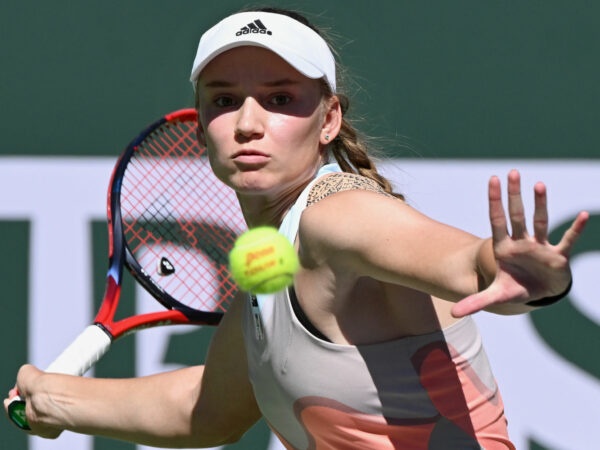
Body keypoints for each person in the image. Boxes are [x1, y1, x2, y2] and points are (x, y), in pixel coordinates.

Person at [4, 7, 589, 450]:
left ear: (329, 119)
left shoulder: (337, 213)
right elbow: (207, 409)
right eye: (225, 99)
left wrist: (513, 274)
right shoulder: (273, 264)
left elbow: (464, 263)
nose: (249, 123)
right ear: (203, 119)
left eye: (280, 98)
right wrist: (53, 398)